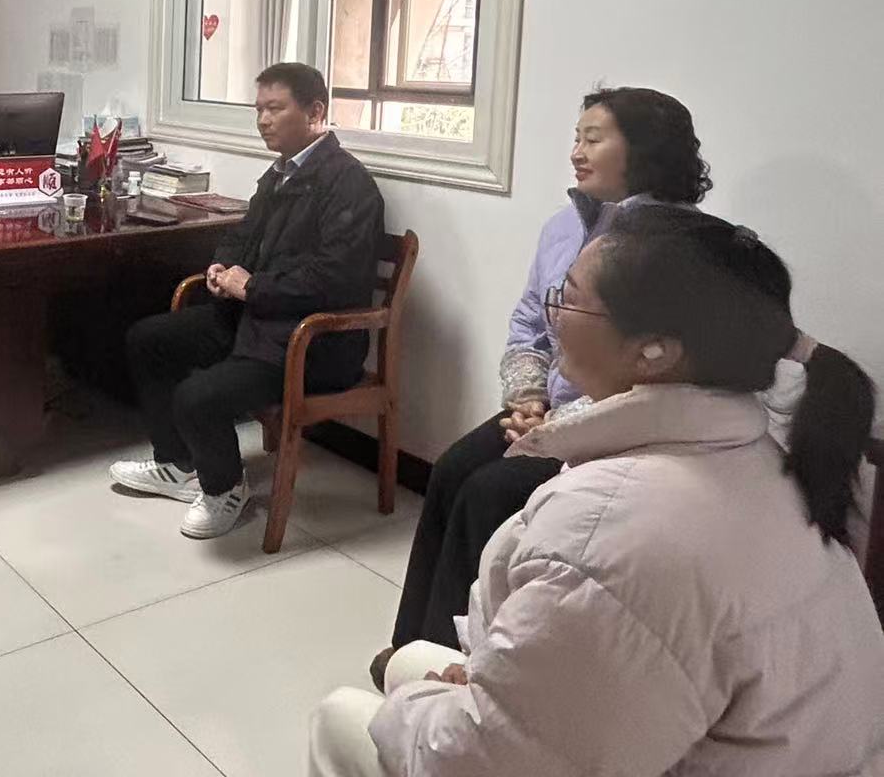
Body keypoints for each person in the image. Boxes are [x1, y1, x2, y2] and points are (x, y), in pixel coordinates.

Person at [310, 206, 884, 776]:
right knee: (410, 660)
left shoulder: (607, 537)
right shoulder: (758, 455)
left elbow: (480, 764)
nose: (553, 314)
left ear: (655, 351)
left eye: (570, 298)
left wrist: (440, 702)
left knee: (339, 717)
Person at [374, 86, 709, 684]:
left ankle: (463, 672)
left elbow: (659, 373)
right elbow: (529, 321)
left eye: (593, 139)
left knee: (488, 492)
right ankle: (412, 649)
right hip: (547, 408)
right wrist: (528, 396)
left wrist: (560, 426)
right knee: (451, 469)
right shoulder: (564, 227)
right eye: (576, 138)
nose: (576, 152)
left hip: (617, 430)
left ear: (643, 149)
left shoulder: (681, 247)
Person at [109, 62, 384, 539]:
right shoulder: (279, 175)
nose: (263, 120)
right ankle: (177, 464)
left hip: (310, 345)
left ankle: (224, 490)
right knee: (147, 339)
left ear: (315, 111)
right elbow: (242, 237)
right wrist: (221, 267)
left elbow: (335, 280)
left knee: (197, 396)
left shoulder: (349, 185)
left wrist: (252, 288)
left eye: (275, 109)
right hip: (258, 324)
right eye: (259, 110)